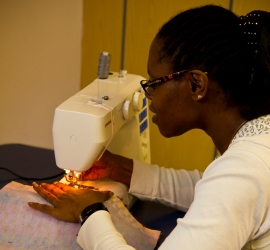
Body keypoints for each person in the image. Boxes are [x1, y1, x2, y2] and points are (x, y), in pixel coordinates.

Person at [28, 4, 270, 250]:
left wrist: (89, 212)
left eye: (154, 82)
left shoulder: (242, 173)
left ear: (196, 84)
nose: (149, 94)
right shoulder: (258, 141)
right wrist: (123, 170)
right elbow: (209, 187)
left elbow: (227, 188)